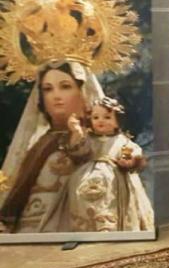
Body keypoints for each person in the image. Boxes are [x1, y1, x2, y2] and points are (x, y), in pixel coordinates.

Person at [0, 61, 99, 233]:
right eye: (48, 89)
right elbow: (20, 188)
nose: (56, 95)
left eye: (65, 86)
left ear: (83, 91)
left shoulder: (100, 140)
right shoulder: (41, 143)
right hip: (31, 231)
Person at [69, 96, 155, 232]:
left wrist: (128, 161)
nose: (101, 121)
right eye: (95, 117)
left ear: (117, 122)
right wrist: (76, 133)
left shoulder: (122, 141)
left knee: (111, 203)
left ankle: (113, 227)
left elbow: (129, 153)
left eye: (107, 117)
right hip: (87, 176)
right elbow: (78, 152)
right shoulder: (88, 140)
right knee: (84, 200)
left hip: (116, 179)